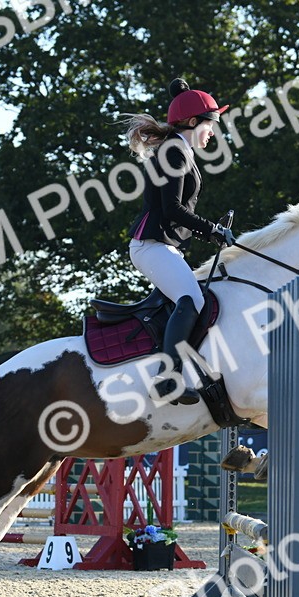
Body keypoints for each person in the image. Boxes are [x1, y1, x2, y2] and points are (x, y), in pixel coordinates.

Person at [122, 78, 235, 405]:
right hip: (150, 245)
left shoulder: (180, 150)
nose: (212, 132)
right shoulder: (174, 151)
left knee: (193, 298)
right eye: (210, 125)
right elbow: (172, 209)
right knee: (192, 299)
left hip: (161, 245)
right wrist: (211, 229)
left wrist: (209, 231)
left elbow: (177, 213)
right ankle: (166, 381)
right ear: (193, 121)